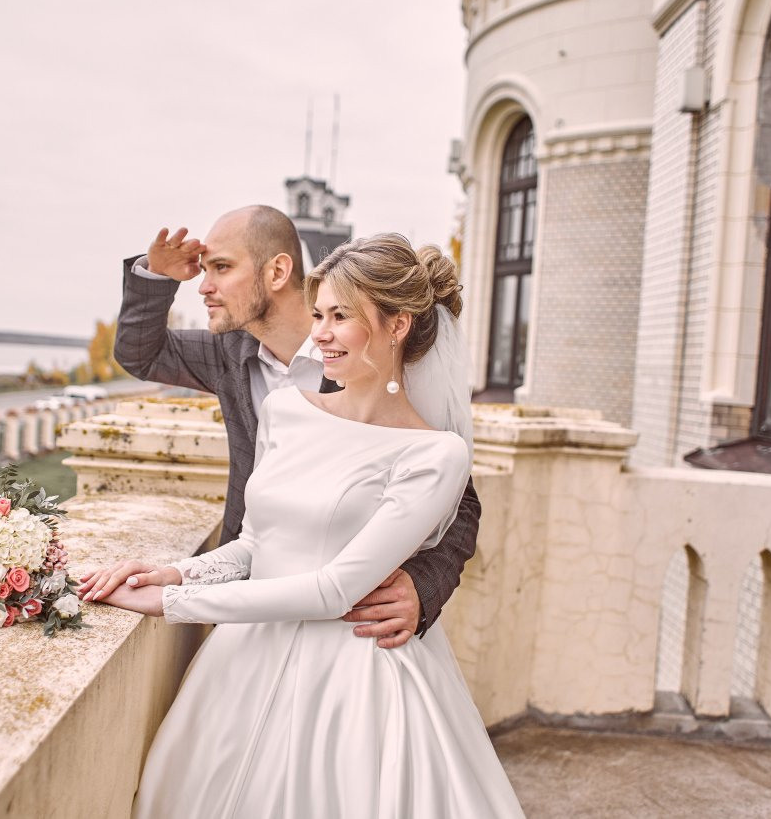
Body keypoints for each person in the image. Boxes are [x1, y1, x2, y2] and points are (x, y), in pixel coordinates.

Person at [92, 234, 524, 818]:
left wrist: (172, 602)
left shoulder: (436, 453)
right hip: (241, 660)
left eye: (340, 317)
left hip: (353, 679)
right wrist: (175, 573)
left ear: (397, 326)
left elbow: (338, 589)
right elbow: (254, 543)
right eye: (318, 315)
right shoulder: (284, 408)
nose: (320, 333)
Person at [80, 205, 481, 648]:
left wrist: (423, 588)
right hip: (243, 613)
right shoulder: (229, 356)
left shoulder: (375, 365)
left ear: (277, 272)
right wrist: (156, 275)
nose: (203, 286)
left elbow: (458, 503)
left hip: (349, 637)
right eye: (321, 316)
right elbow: (142, 353)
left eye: (221, 267)